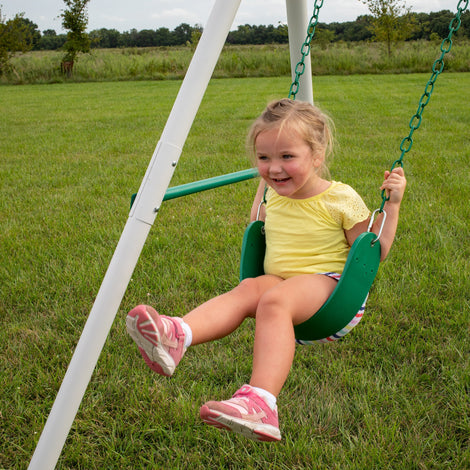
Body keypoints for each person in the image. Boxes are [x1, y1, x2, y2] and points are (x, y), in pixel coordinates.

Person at [126, 98, 406, 442]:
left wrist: (391, 206)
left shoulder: (341, 198)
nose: (274, 168)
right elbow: (258, 228)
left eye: (287, 157)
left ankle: (262, 403)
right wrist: (263, 190)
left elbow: (372, 252)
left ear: (317, 156)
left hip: (332, 293)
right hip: (282, 284)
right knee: (249, 291)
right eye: (264, 158)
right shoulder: (272, 194)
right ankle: (177, 335)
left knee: (274, 300)